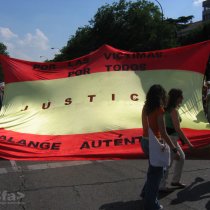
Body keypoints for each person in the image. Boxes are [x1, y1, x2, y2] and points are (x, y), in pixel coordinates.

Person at [140, 84, 180, 210]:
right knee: (157, 174)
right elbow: (163, 132)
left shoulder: (145, 107)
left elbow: (145, 127)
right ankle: (151, 203)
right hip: (155, 143)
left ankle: (146, 193)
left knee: (154, 170)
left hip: (145, 142)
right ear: (161, 95)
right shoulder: (160, 110)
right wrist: (174, 149)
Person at [159, 88, 194, 191]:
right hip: (171, 138)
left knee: (181, 157)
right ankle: (161, 185)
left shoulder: (165, 109)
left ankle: (175, 181)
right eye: (180, 96)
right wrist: (188, 143)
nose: (182, 98)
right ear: (176, 98)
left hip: (168, 137)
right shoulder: (173, 111)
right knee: (168, 163)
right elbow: (178, 129)